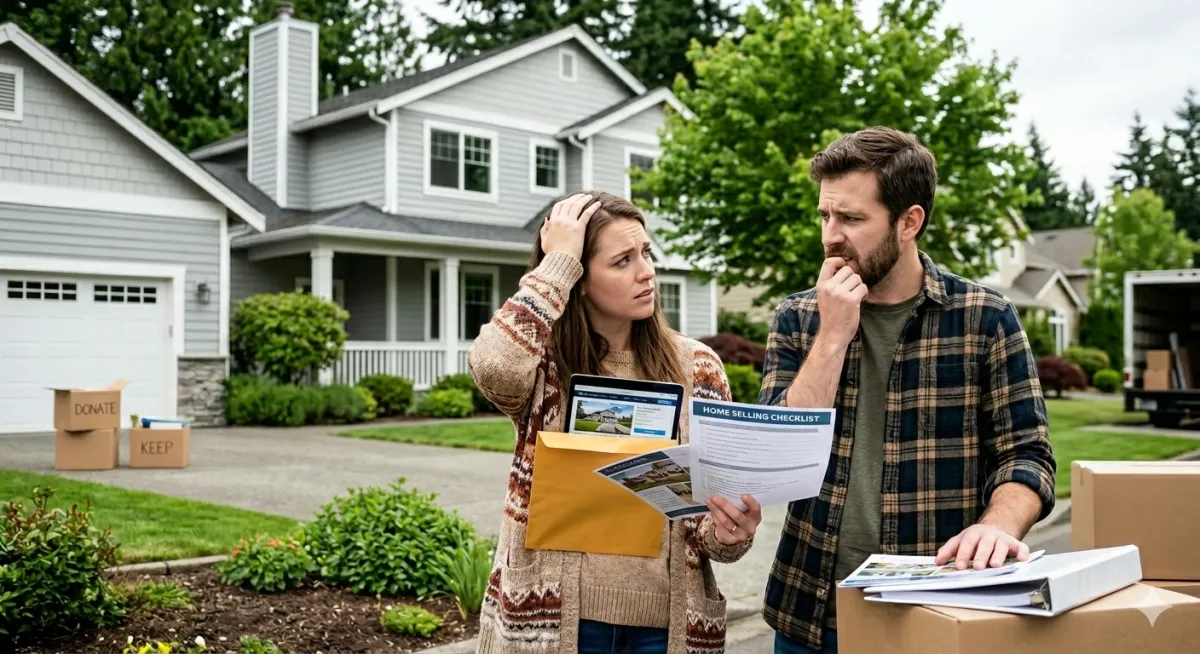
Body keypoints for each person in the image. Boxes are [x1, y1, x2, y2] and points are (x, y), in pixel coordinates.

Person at [757, 127, 1057, 654]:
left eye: (851, 219)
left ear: (909, 222)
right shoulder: (798, 318)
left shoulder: (985, 319)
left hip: (939, 610)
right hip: (810, 612)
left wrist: (996, 526)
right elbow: (775, 455)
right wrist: (832, 335)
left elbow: (1027, 456)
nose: (830, 235)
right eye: (825, 215)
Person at [468, 191, 764, 654]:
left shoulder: (698, 366)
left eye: (645, 253)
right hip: (555, 619)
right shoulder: (543, 367)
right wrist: (557, 264)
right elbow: (494, 366)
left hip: (665, 628)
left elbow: (707, 521)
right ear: (579, 279)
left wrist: (729, 532)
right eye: (622, 260)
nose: (646, 271)